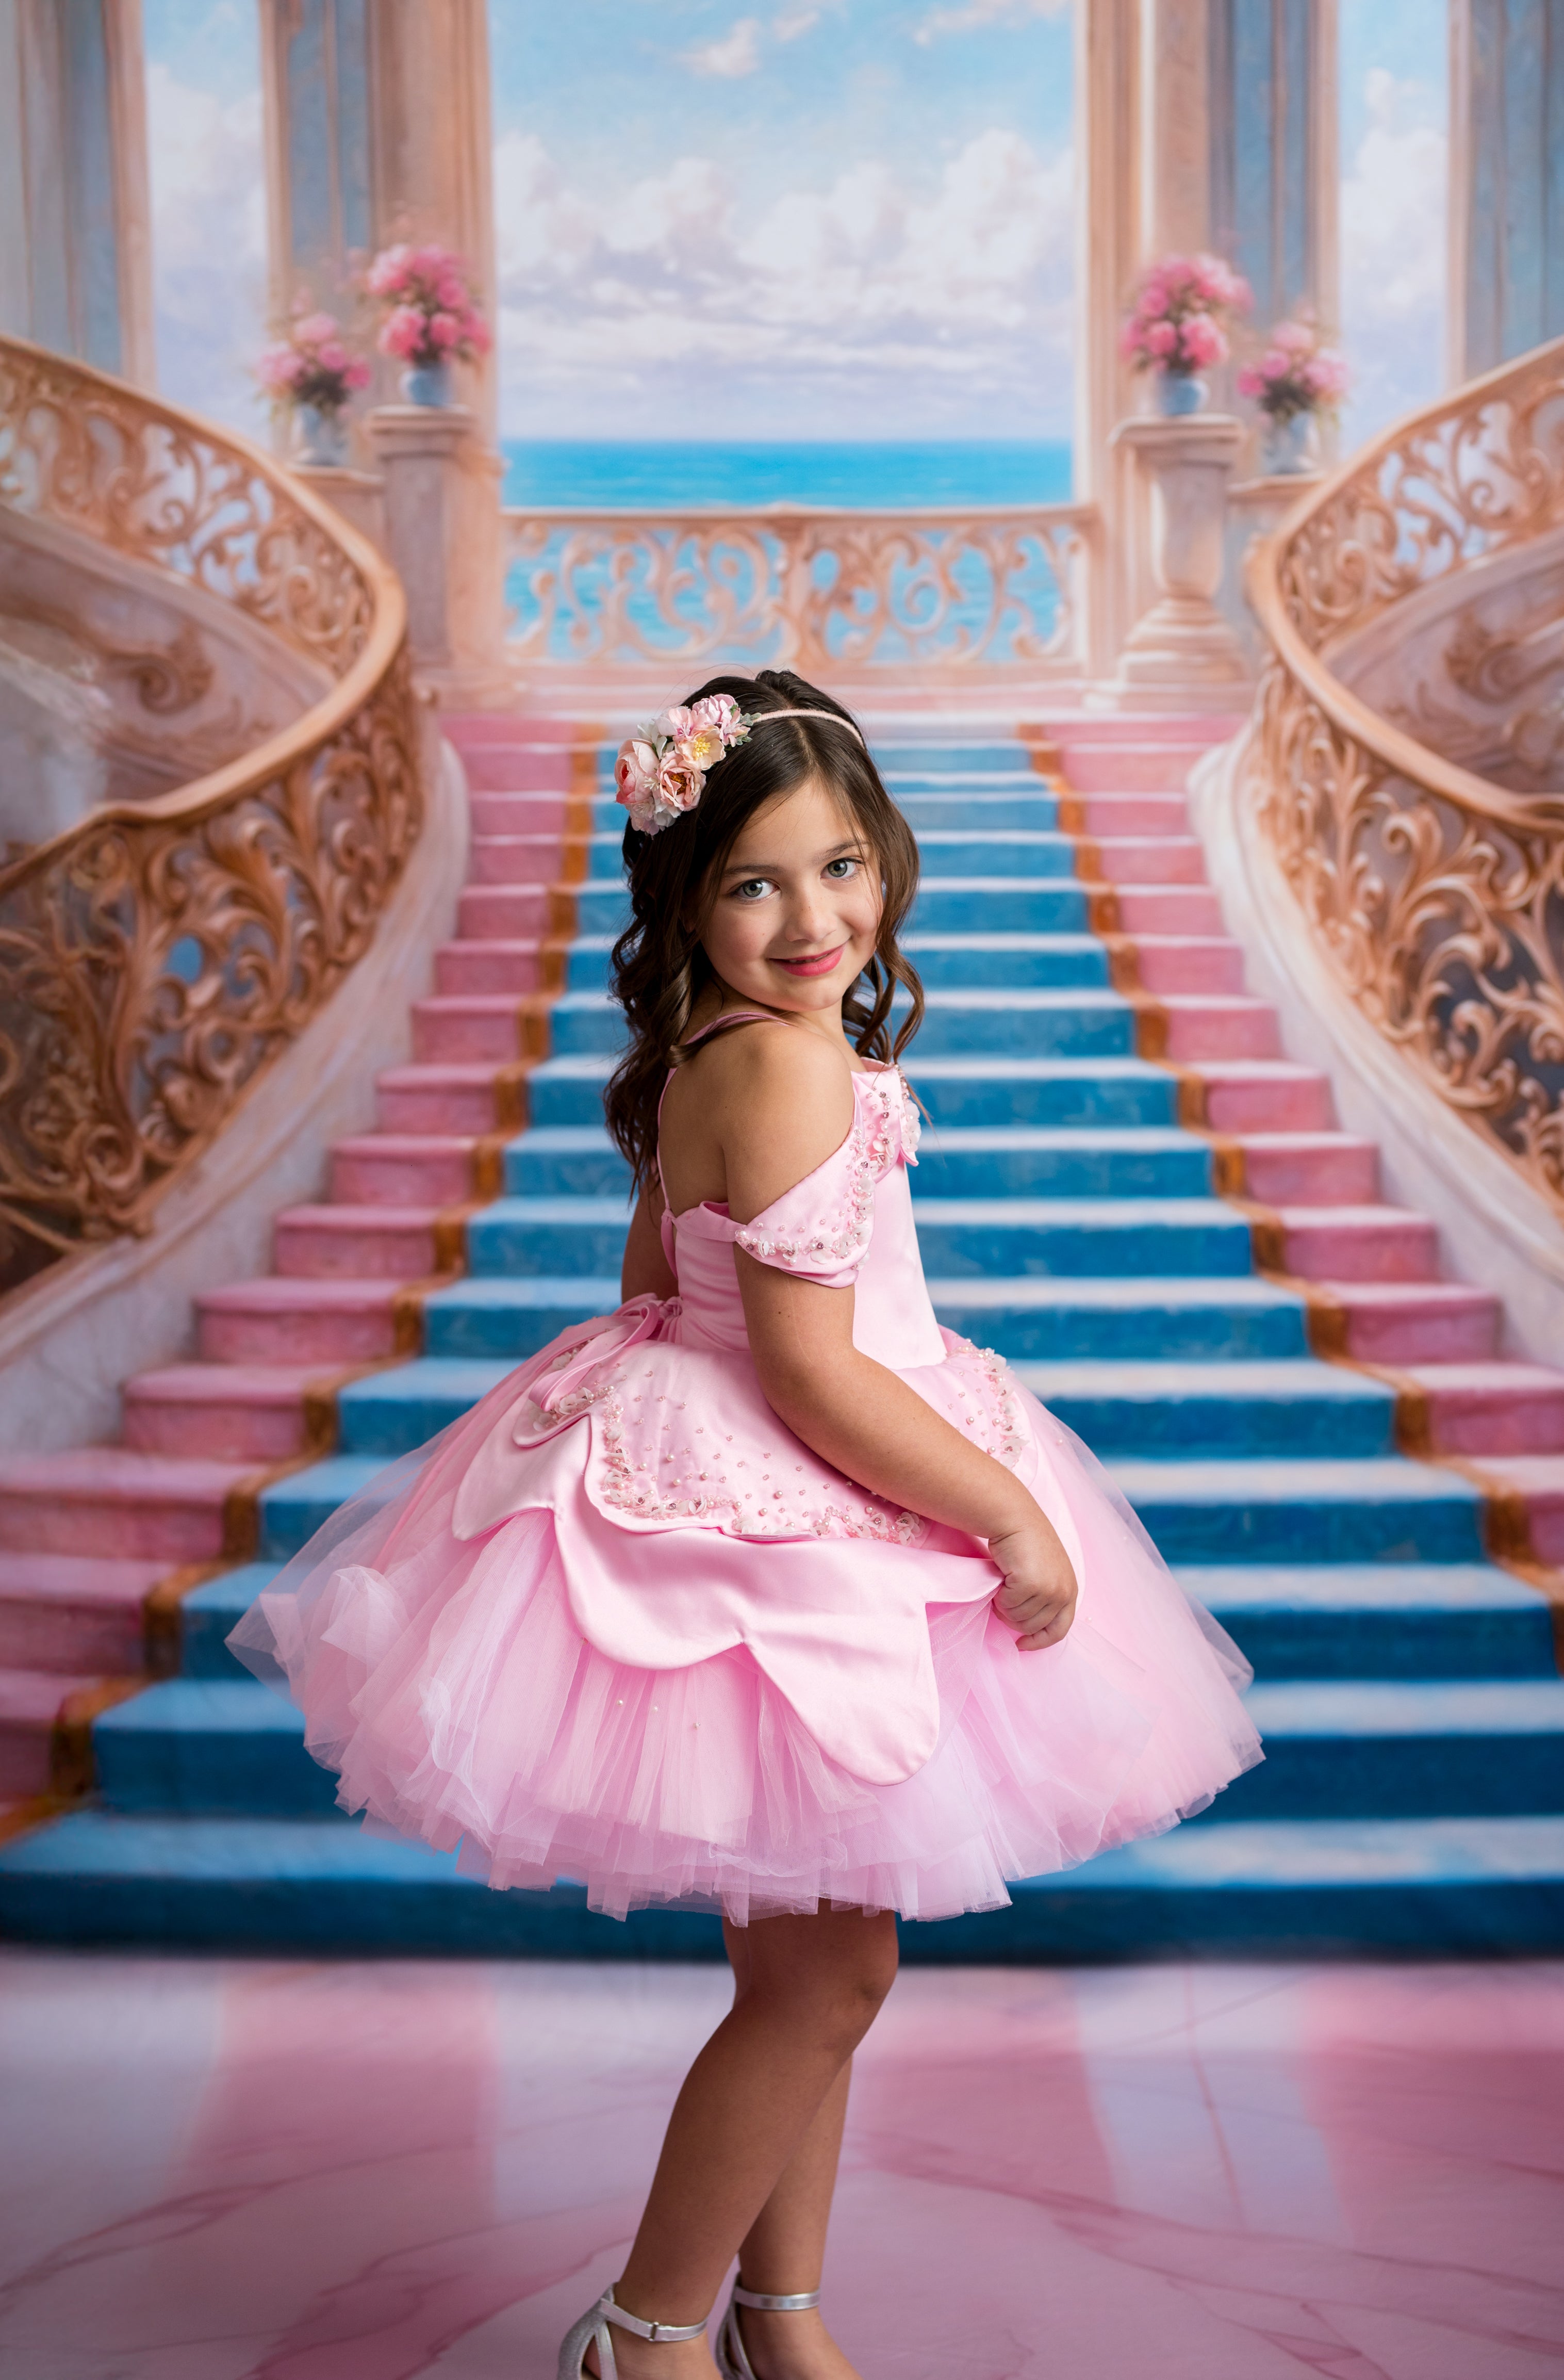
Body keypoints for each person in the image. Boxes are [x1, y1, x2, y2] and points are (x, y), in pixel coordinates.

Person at [230, 669, 1261, 2380]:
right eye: (754, 883)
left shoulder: (712, 1049)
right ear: (683, 899)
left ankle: (776, 2317)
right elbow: (805, 1375)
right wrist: (1005, 1508)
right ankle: (646, 2333)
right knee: (830, 1979)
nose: (812, 918)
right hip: (791, 1496)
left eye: (842, 865)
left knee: (810, 1963)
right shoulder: (796, 1074)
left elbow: (653, 1282)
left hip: (722, 1447)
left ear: (889, 863)